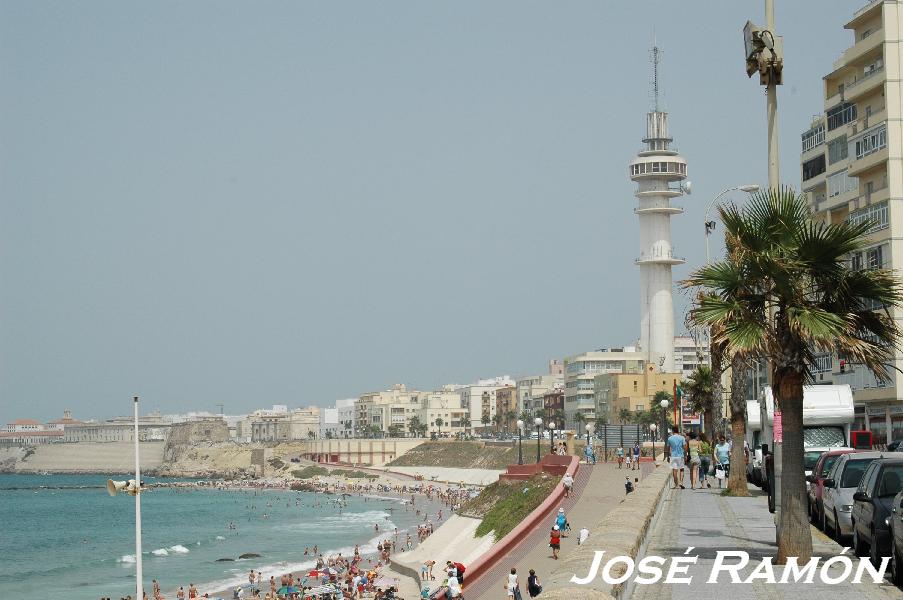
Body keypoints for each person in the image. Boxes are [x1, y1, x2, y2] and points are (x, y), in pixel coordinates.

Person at [667, 425, 687, 489]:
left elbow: (668, 448)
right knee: (681, 469)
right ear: (678, 431)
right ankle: (681, 482)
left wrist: (668, 456)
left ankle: (676, 484)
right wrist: (685, 455)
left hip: (673, 456)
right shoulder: (682, 438)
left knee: (674, 470)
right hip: (680, 456)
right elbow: (685, 447)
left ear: (673, 431)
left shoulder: (670, 438)